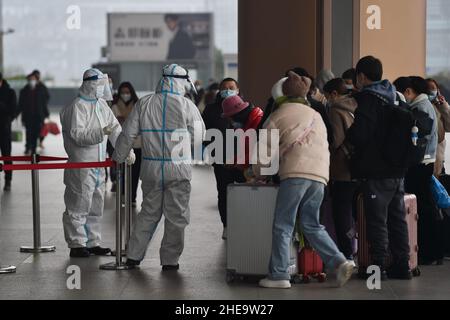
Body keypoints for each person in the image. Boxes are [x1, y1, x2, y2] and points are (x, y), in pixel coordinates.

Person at [254, 71, 354, 289]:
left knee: (283, 224)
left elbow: (264, 153)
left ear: (279, 96)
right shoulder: (315, 114)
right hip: (319, 176)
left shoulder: (278, 115)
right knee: (311, 224)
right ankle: (338, 261)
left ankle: (279, 275)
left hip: (294, 174)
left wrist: (258, 173)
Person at [113, 64, 205, 270]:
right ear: (181, 82)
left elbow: (128, 134)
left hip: (151, 169)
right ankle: (170, 260)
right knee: (177, 216)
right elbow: (201, 136)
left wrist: (118, 157)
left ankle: (134, 256)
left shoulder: (145, 103)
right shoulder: (187, 105)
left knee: (148, 212)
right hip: (179, 169)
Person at [346, 56, 412, 280]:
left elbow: (360, 135)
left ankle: (378, 268)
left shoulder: (369, 99)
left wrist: (351, 135)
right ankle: (402, 265)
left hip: (376, 170)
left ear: (361, 76)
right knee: (397, 218)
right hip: (397, 170)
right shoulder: (396, 96)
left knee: (377, 220)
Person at [60, 68, 135, 258]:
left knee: (96, 203)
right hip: (81, 165)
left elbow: (116, 131)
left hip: (99, 164)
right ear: (91, 84)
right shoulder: (77, 106)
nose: (105, 88)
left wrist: (125, 150)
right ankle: (76, 243)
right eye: (102, 85)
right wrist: (101, 132)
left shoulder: (102, 105)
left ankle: (93, 242)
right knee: (79, 202)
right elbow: (78, 135)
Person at [394, 76, 443, 265]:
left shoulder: (419, 109)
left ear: (408, 91)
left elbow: (416, 139)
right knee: (426, 207)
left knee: (422, 209)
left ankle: (429, 253)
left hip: (420, 164)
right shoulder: (425, 106)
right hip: (425, 163)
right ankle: (434, 252)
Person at [202, 78, 246, 240]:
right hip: (221, 159)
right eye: (224, 88)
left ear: (238, 89)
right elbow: (204, 132)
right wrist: (212, 150)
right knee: (223, 191)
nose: (228, 90)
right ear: (219, 91)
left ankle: (243, 223)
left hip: (243, 159)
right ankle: (226, 225)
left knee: (245, 191)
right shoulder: (211, 109)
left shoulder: (246, 107)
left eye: (231, 87)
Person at [323, 78, 358, 263]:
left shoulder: (336, 110)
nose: (327, 99)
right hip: (358, 167)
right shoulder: (357, 105)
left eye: (327, 96)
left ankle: (347, 253)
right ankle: (357, 248)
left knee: (341, 212)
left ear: (334, 94)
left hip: (342, 169)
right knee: (355, 211)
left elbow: (335, 141)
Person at [111, 82, 142, 207]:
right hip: (121, 144)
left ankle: (132, 196)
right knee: (121, 172)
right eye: (123, 92)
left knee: (135, 172)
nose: (125, 95)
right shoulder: (115, 106)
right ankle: (123, 195)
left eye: (127, 92)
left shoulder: (137, 105)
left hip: (137, 144)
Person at [221, 94, 264, 170]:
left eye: (231, 118)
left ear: (238, 115)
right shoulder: (245, 126)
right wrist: (234, 161)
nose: (231, 122)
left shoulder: (259, 122)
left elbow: (258, 151)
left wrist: (239, 163)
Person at [17, 72, 50, 155]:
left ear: (36, 80)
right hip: (27, 116)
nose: (32, 81)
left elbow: (44, 102)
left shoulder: (41, 89)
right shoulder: (24, 91)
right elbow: (20, 104)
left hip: (38, 116)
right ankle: (28, 147)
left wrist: (46, 114)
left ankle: (34, 149)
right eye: (30, 79)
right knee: (28, 132)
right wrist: (16, 114)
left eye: (33, 79)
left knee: (36, 133)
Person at [426, 78, 450, 177]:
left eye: (433, 88)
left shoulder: (440, 105)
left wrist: (443, 106)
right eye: (428, 88)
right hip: (426, 154)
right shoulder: (422, 106)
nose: (431, 90)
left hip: (439, 154)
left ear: (438, 90)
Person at [0, 72, 17, 191]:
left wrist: (7, 119)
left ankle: (8, 180)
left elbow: (14, 110)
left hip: (4, 129)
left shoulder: (10, 92)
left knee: (6, 155)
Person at [31, 70, 50, 150]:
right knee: (33, 131)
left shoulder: (42, 86)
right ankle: (32, 146)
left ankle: (40, 142)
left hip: (41, 113)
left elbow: (47, 98)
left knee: (42, 129)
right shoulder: (30, 86)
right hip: (32, 113)